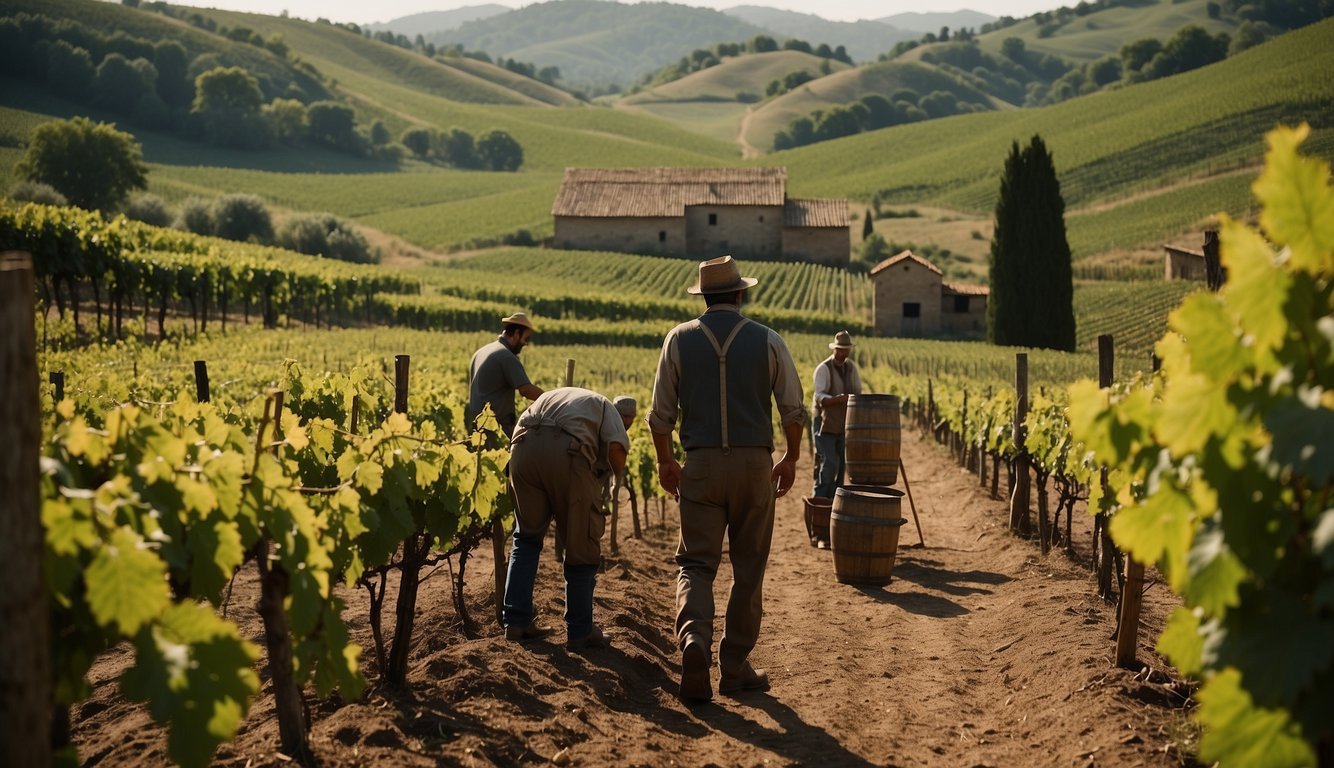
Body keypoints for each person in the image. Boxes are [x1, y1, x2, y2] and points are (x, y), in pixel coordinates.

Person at [647, 255, 805, 703]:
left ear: (704, 296)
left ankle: (693, 641)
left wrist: (665, 462)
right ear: (740, 294)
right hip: (755, 466)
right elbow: (792, 409)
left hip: (699, 467)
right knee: (748, 566)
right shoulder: (769, 340)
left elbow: (659, 417)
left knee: (696, 564)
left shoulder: (677, 341)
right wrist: (790, 458)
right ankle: (733, 667)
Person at [502, 387, 635, 649]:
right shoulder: (606, 407)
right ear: (625, 417)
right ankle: (580, 630)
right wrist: (609, 480)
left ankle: (516, 623)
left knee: (526, 538)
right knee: (581, 543)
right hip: (566, 452)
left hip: (522, 449)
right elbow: (617, 450)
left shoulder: (567, 398)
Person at [468, 312, 543, 439]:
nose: (526, 344)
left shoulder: (481, 352)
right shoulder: (505, 356)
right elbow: (526, 390)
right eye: (526, 338)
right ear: (516, 333)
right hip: (494, 430)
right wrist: (552, 399)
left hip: (476, 428)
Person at [811, 330, 863, 503]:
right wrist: (837, 399)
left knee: (842, 464)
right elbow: (819, 397)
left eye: (845, 349)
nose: (842, 352)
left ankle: (835, 502)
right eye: (840, 349)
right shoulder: (823, 369)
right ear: (834, 349)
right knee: (829, 462)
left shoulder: (852, 369)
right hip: (824, 422)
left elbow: (857, 393)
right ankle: (820, 499)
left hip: (844, 423)